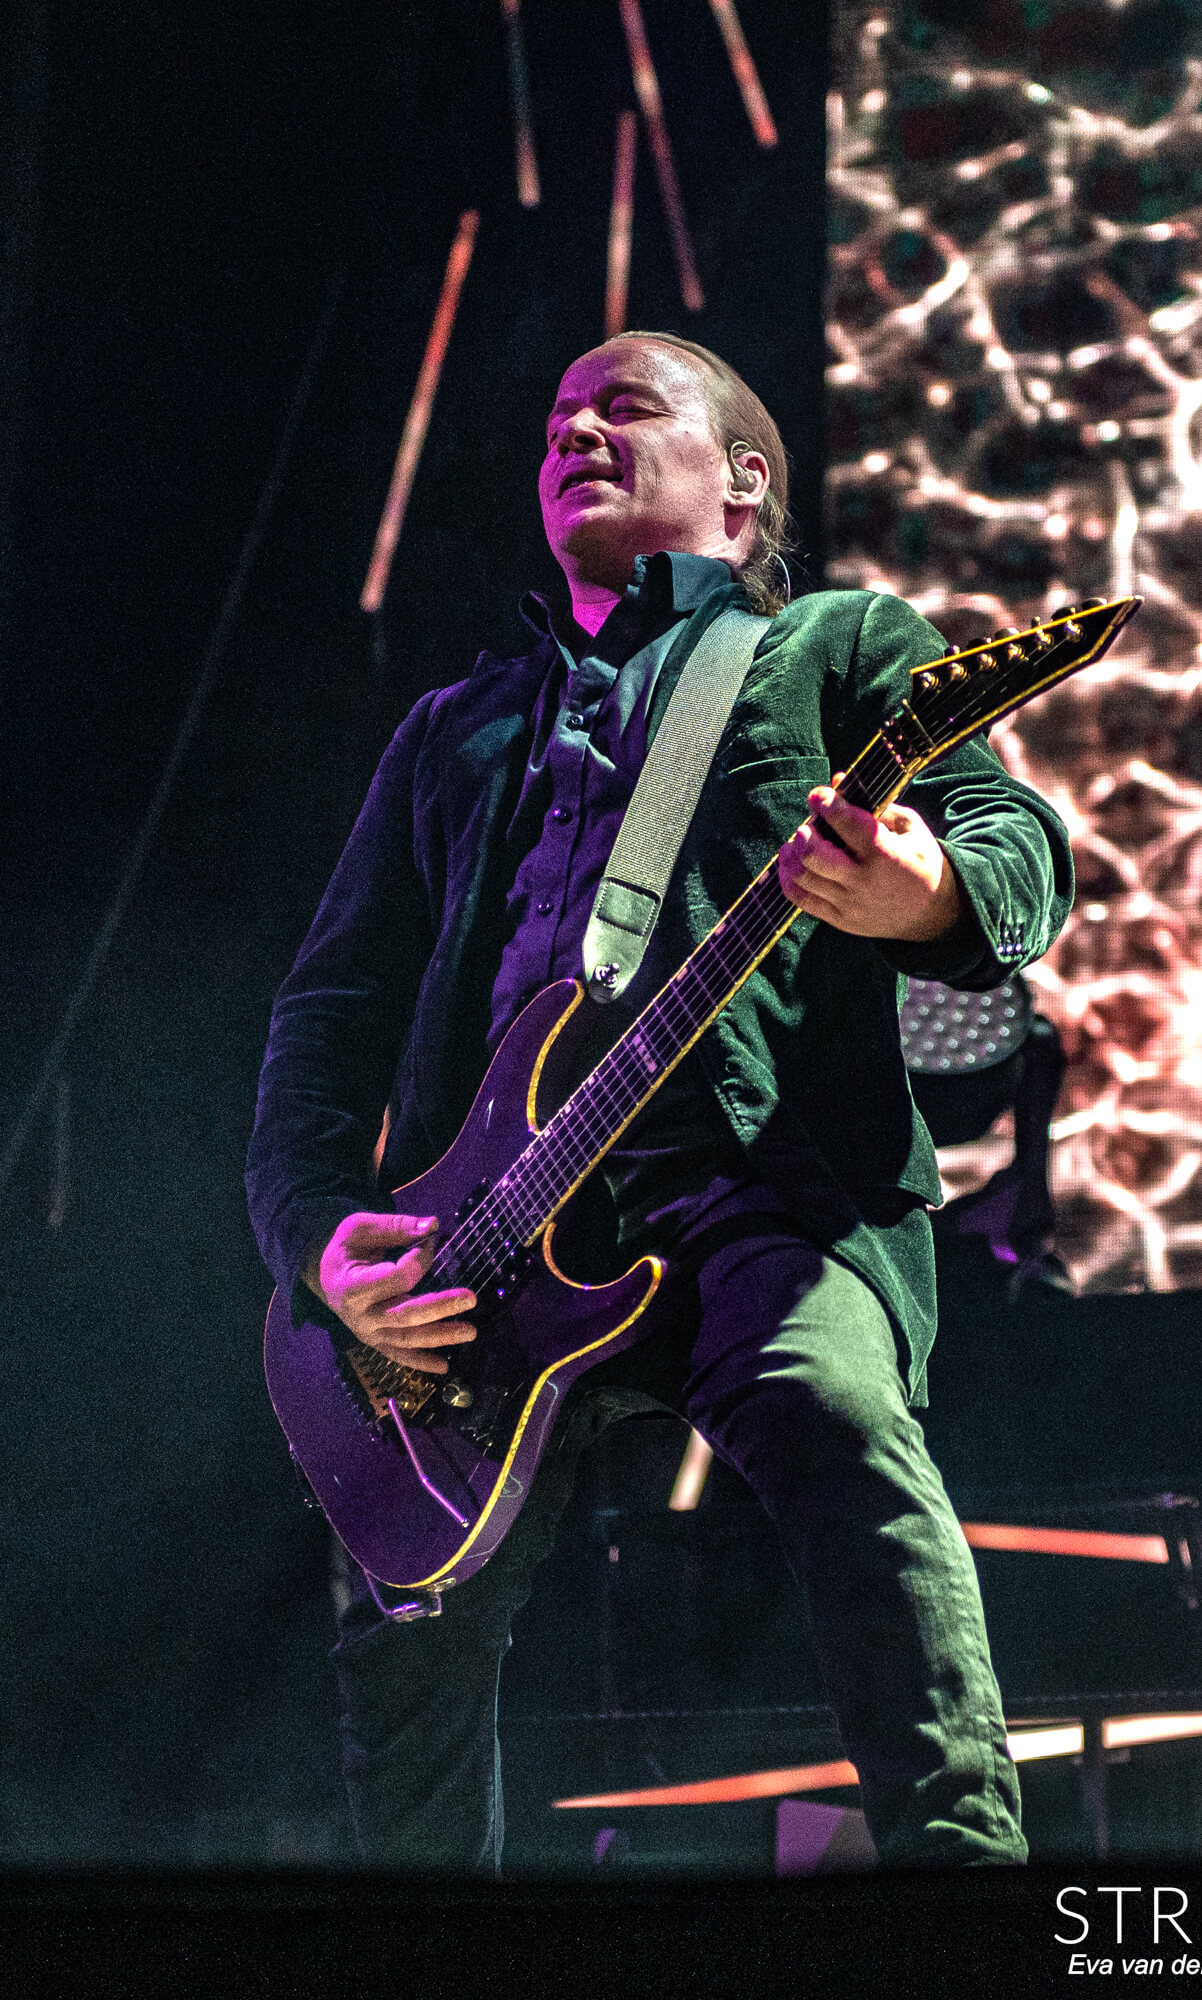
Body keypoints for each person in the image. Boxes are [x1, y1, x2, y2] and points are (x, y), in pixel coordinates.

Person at [246, 331, 1073, 1870]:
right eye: (557, 417)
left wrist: (927, 893)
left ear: (743, 484)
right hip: (479, 1244)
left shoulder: (832, 647)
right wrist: (317, 1242)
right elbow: (327, 1015)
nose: (575, 431)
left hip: (756, 1188)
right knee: (407, 1634)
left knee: (841, 1429)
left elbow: (1015, 843)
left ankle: (970, 1888)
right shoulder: (454, 727)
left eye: (625, 406)